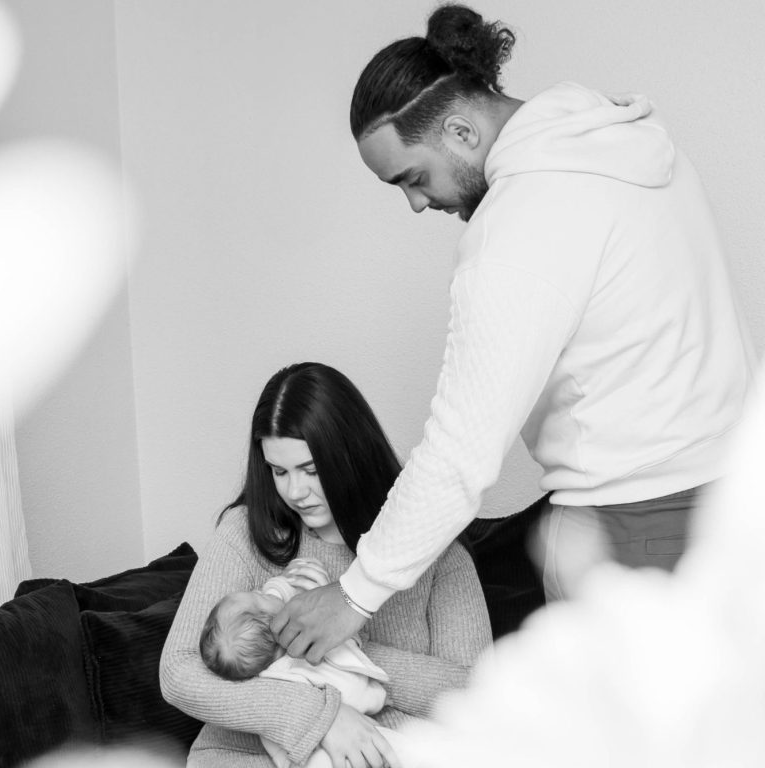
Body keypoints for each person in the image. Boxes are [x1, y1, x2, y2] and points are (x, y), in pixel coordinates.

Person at [270, 4, 756, 662]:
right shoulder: (624, 142)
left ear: (461, 130)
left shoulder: (518, 228)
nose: (417, 204)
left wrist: (355, 595)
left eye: (414, 178)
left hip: (634, 532)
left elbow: (460, 451)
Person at [159, 362, 492, 768]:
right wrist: (318, 714)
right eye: (279, 471)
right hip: (240, 757)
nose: (295, 491)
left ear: (352, 455)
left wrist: (341, 643)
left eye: (311, 470)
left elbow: (480, 697)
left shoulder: (436, 556)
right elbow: (179, 672)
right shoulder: (244, 534)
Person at [199, 557, 400, 768]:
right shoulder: (303, 667)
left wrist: (286, 582)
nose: (260, 589)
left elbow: (275, 597)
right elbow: (353, 676)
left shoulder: (261, 671)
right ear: (279, 629)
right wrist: (329, 613)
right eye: (259, 597)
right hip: (326, 753)